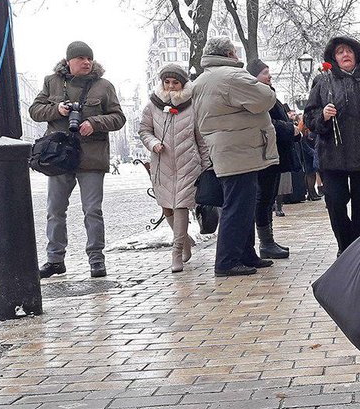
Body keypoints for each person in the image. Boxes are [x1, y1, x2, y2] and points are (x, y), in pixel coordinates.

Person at [30, 41, 126, 279]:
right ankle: (55, 260)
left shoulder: (104, 86)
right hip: (58, 157)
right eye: (81, 58)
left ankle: (96, 259)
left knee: (92, 210)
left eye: (89, 59)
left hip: (91, 157)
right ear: (68, 61)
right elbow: (34, 110)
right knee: (54, 210)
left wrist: (94, 123)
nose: (86, 62)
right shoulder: (52, 82)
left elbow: (118, 117)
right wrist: (57, 111)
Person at [193, 37, 279, 277]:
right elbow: (266, 98)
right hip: (238, 148)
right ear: (229, 53)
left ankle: (245, 253)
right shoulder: (231, 76)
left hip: (228, 148)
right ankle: (227, 261)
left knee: (243, 203)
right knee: (238, 205)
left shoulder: (203, 79)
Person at [304, 36, 360, 255]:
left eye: (348, 51)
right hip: (332, 155)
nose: (345, 55)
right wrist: (323, 116)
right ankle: (345, 247)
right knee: (335, 202)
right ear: (333, 58)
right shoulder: (323, 81)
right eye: (339, 52)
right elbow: (309, 117)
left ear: (356, 54)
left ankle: (358, 252)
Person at [138, 64, 209, 272]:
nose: (170, 86)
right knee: (167, 207)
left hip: (188, 164)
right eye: (167, 82)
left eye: (175, 82)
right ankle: (185, 239)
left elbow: (201, 138)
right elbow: (144, 130)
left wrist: (206, 165)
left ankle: (176, 252)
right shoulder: (152, 105)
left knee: (180, 206)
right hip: (162, 164)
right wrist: (153, 143)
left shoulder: (193, 105)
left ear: (182, 83)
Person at [247, 58, 299, 259]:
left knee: (268, 198)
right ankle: (265, 243)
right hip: (264, 152)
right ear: (255, 77)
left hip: (274, 152)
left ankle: (269, 240)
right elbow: (266, 123)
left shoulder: (268, 93)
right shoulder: (257, 96)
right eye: (265, 72)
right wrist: (290, 128)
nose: (269, 75)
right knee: (264, 198)